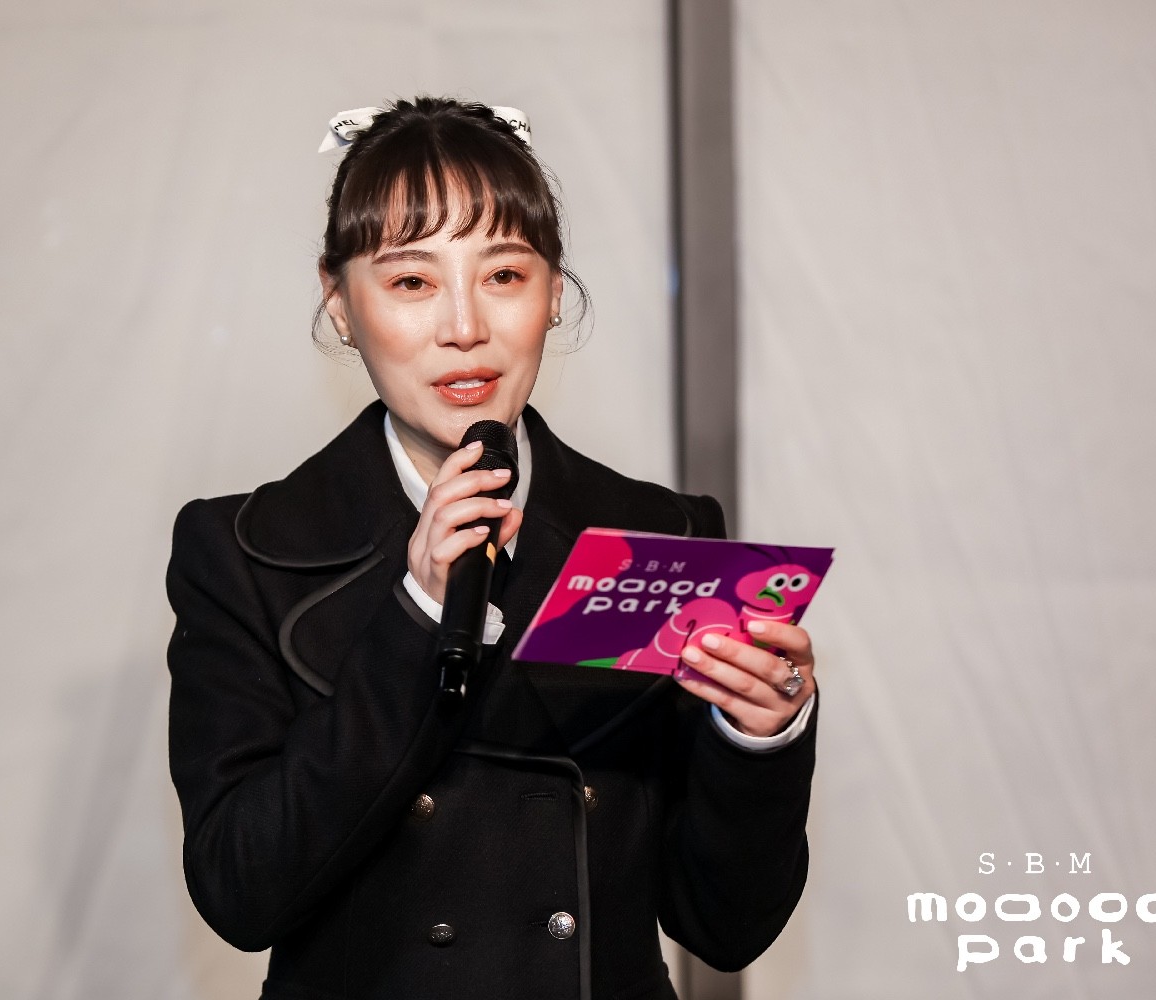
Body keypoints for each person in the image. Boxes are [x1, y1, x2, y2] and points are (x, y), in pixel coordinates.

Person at [166, 96, 819, 1000]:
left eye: (504, 274)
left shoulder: (659, 540)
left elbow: (725, 925)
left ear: (553, 293)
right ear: (340, 302)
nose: (465, 327)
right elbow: (241, 893)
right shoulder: (247, 551)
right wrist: (417, 615)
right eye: (412, 282)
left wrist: (758, 735)